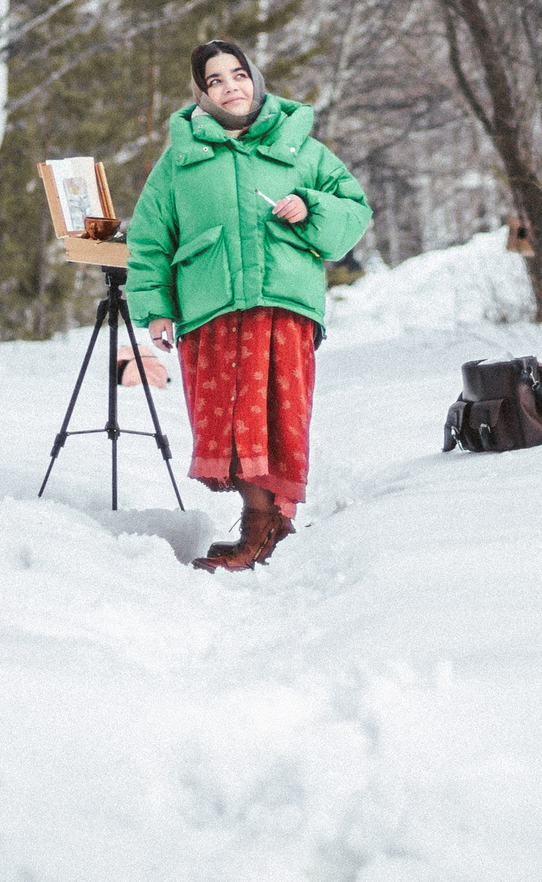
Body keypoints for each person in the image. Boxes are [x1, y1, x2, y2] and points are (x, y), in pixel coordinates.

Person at [125, 39, 372, 571]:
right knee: (231, 423)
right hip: (211, 309)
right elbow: (150, 237)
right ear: (202, 93)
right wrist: (157, 307)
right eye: (214, 80)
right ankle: (266, 524)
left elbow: (354, 211)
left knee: (273, 419)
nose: (229, 87)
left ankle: (263, 528)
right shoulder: (181, 158)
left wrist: (310, 205)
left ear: (254, 78)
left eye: (237, 74)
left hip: (282, 305)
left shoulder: (300, 147)